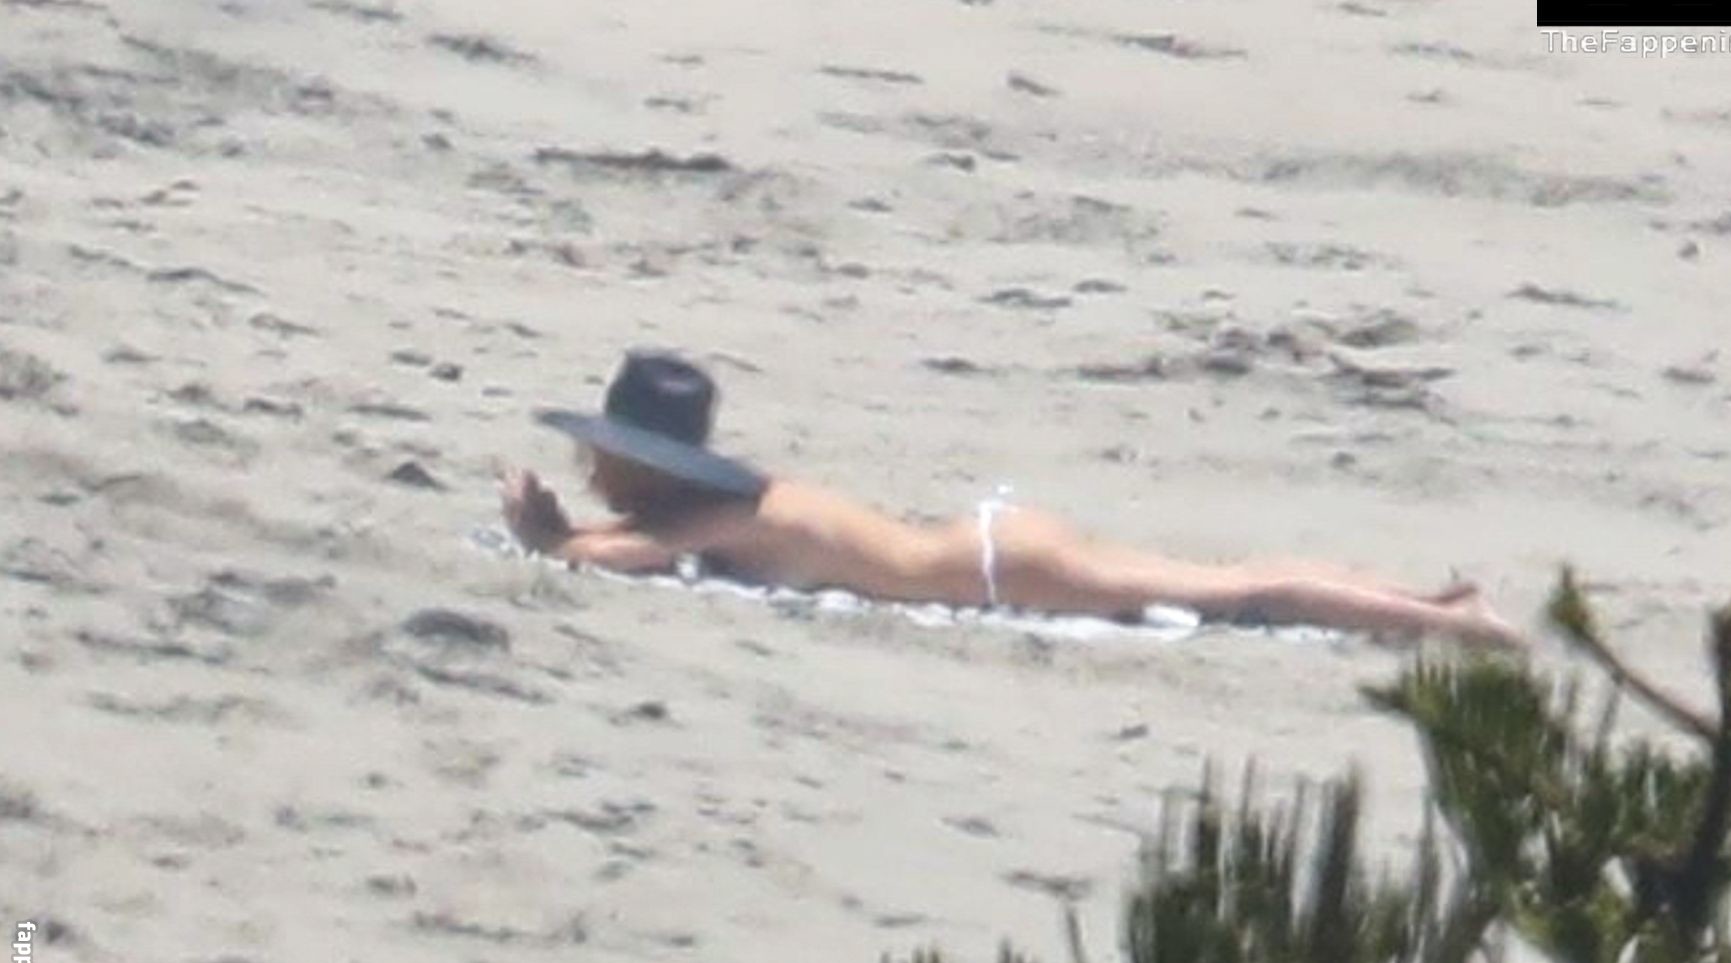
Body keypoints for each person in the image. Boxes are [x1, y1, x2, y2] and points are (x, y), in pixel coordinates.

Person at [498, 351, 1525, 647]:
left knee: (1240, 594)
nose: (592, 471)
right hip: (993, 541)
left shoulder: (732, 518)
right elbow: (635, 536)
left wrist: (548, 535)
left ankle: (1454, 623)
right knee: (1227, 578)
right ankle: (1428, 602)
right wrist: (578, 526)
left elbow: (605, 557)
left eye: (604, 456)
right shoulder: (734, 504)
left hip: (998, 570)